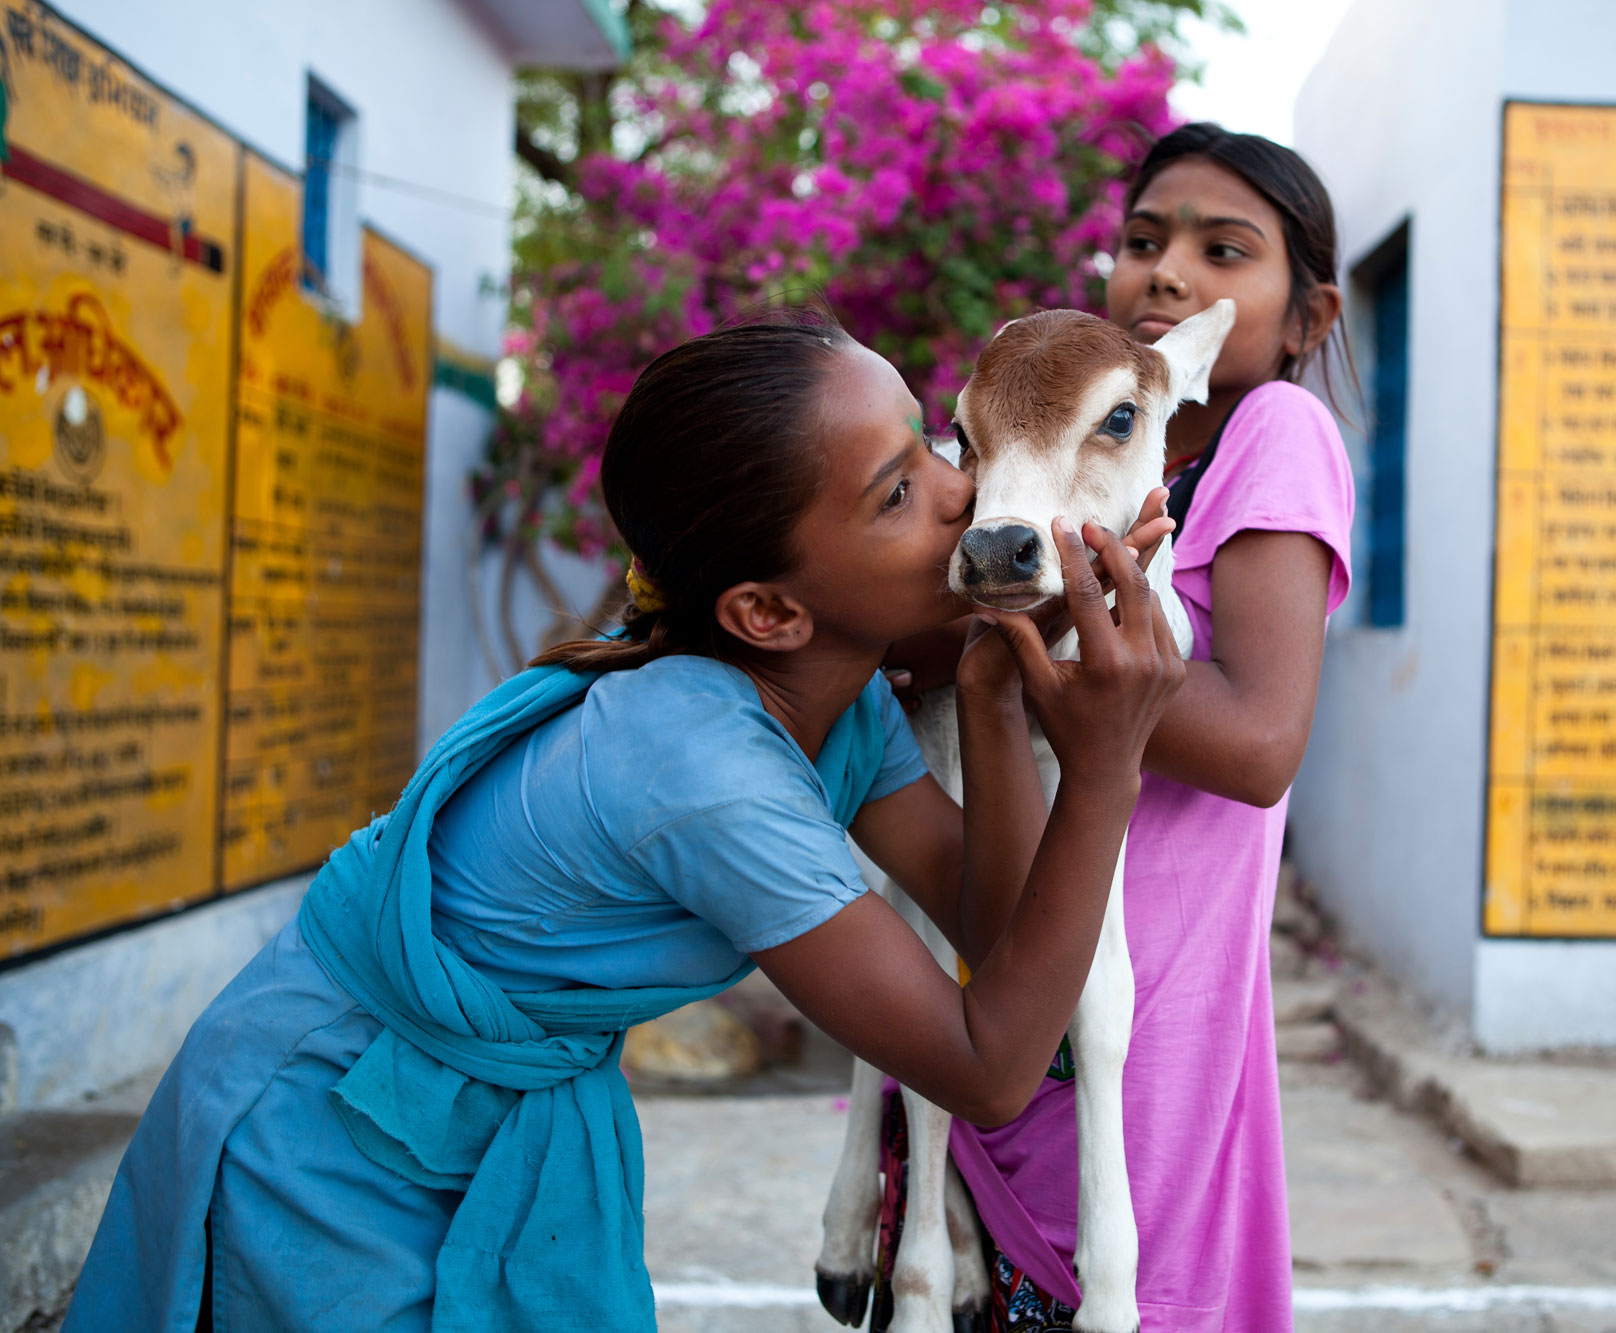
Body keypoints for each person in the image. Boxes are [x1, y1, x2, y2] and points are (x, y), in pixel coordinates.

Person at [63, 316, 1184, 1333]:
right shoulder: (707, 771)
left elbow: (991, 937)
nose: (964, 498)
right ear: (769, 611)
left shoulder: (833, 706)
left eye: (940, 450)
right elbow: (991, 1068)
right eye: (897, 494)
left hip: (461, 1102)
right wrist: (1101, 767)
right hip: (333, 1130)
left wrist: (991, 680)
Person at [888, 123, 1357, 1332]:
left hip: (1151, 991)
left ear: (1305, 316)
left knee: (1112, 1274)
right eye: (1141, 240)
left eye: (1222, 249)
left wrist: (1022, 628)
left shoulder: (1272, 433)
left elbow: (1256, 743)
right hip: (1002, 935)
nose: (1166, 274)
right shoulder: (1062, 450)